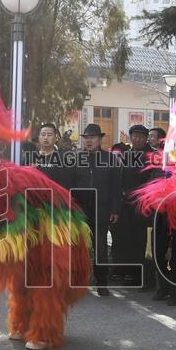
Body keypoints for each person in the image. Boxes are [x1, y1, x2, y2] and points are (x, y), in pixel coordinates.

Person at [71, 123, 123, 296]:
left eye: (92, 137)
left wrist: (115, 210)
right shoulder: (77, 159)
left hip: (102, 210)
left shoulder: (111, 159)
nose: (89, 141)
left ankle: (102, 282)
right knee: (80, 247)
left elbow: (117, 187)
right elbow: (71, 185)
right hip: (81, 211)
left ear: (100, 139)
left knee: (100, 247)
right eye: (86, 138)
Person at [113, 124, 156, 286]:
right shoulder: (127, 154)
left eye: (141, 136)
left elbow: (154, 180)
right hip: (127, 205)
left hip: (145, 206)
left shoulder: (153, 155)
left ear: (146, 138)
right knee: (127, 240)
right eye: (134, 136)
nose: (137, 139)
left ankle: (145, 278)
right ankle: (130, 273)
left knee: (144, 242)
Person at [25, 122, 71, 188]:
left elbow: (65, 182)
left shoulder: (63, 159)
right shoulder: (30, 158)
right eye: (43, 135)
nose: (46, 138)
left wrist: (39, 168)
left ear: (55, 138)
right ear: (39, 138)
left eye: (49, 135)